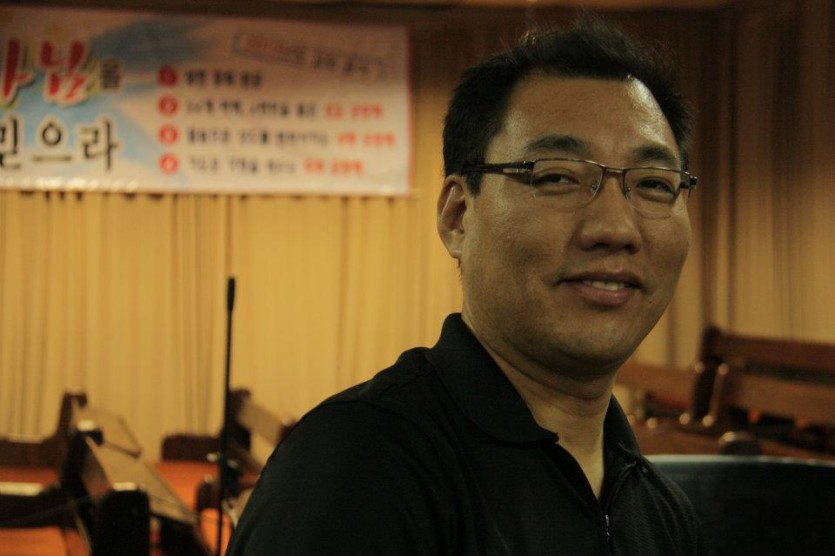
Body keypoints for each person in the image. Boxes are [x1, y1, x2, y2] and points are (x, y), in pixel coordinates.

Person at [228, 16, 704, 555]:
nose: (616, 229)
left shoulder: (663, 512)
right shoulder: (358, 470)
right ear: (458, 216)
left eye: (653, 184)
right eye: (557, 177)